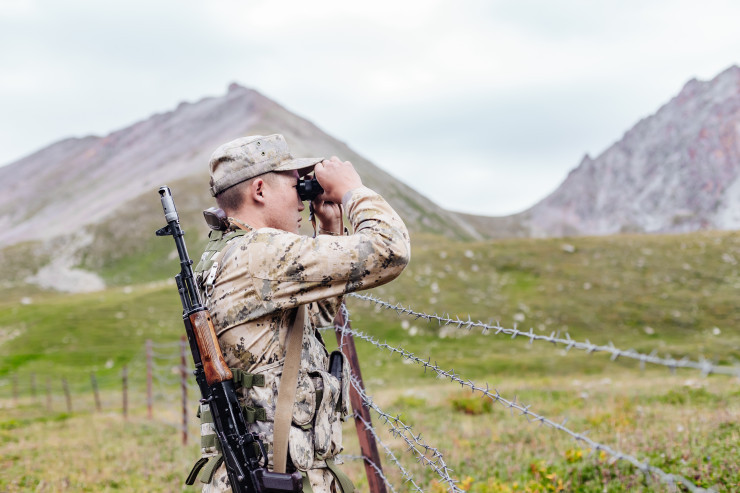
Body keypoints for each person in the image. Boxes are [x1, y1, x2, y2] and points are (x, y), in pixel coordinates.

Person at [190, 134, 410, 493]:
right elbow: (390, 249)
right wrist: (352, 191)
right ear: (259, 189)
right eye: (295, 186)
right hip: (276, 476)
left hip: (253, 474)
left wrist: (328, 226)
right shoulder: (262, 252)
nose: (302, 197)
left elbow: (314, 316)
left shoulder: (225, 254)